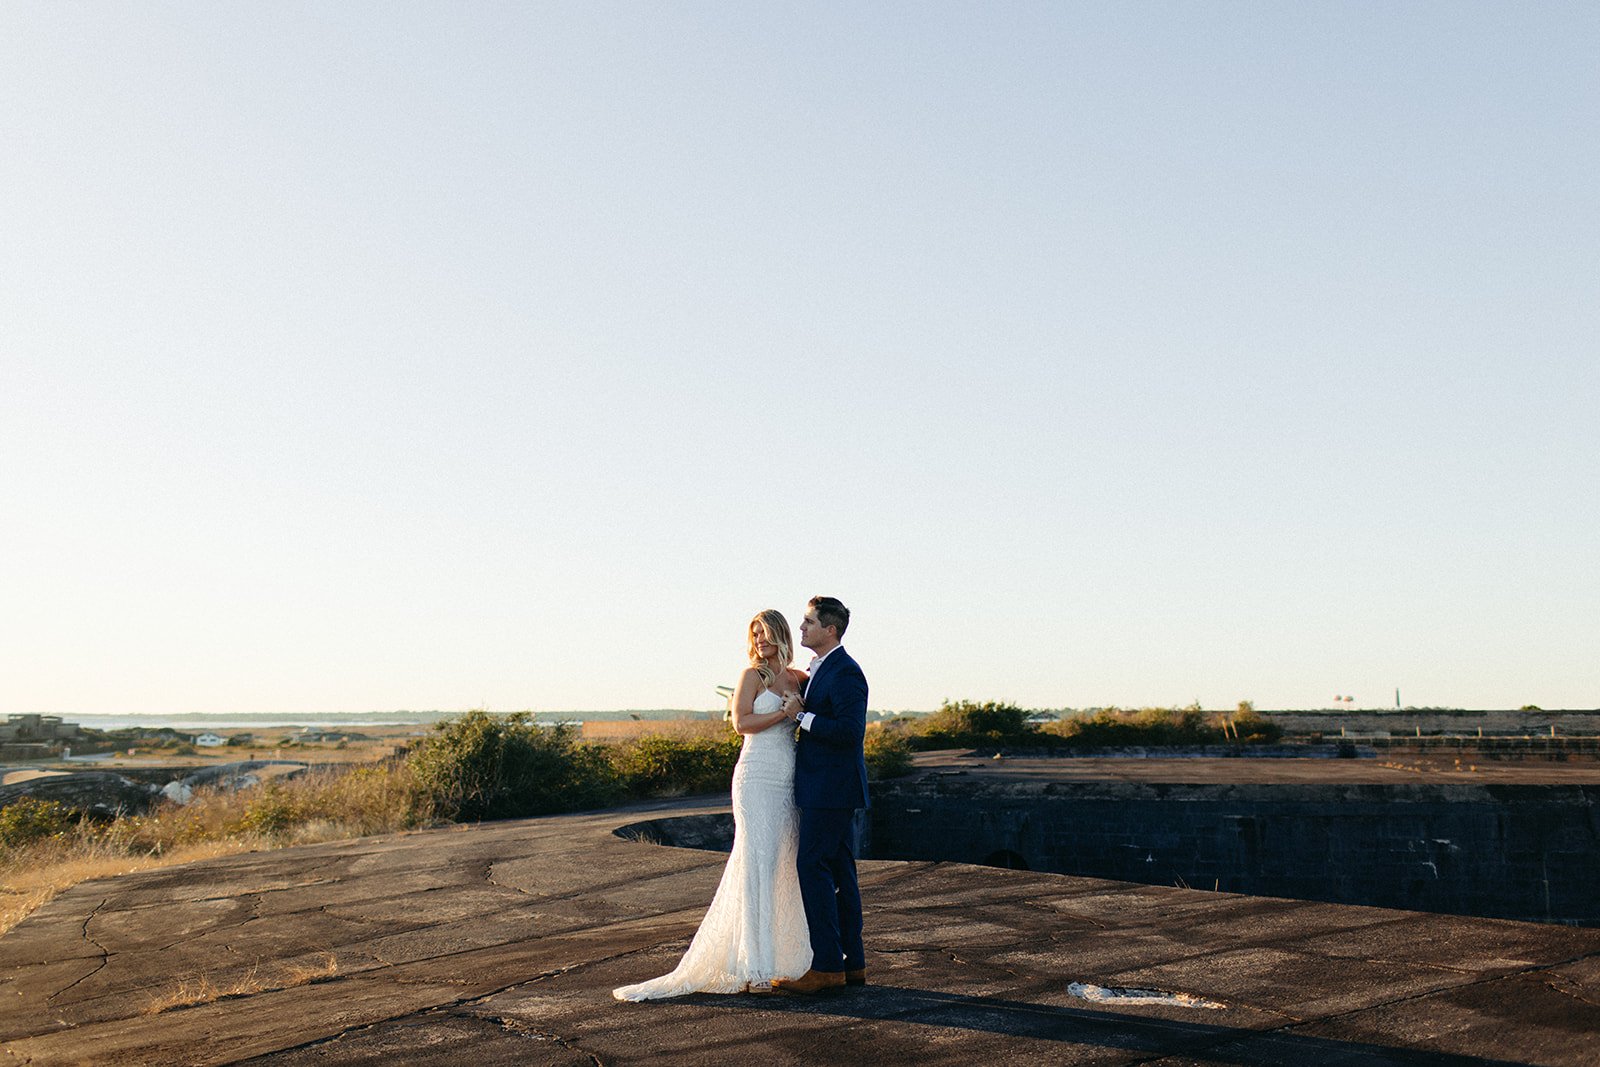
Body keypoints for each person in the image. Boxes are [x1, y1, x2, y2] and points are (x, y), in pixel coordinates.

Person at [612, 610, 812, 1000]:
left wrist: (798, 712)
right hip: (755, 776)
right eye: (753, 634)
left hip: (788, 778)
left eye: (764, 634)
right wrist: (784, 714)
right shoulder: (751, 676)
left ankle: (789, 960)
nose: (758, 641)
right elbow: (742, 724)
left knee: (782, 864)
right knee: (756, 862)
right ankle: (755, 967)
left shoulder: (800, 678)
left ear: (780, 634)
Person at [771, 595, 869, 994]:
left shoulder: (846, 672)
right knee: (841, 872)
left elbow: (849, 732)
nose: (802, 628)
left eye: (809, 622)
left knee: (812, 867)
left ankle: (827, 965)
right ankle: (853, 964)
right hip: (828, 787)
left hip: (831, 789)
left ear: (830, 629)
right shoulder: (821, 670)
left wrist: (801, 717)